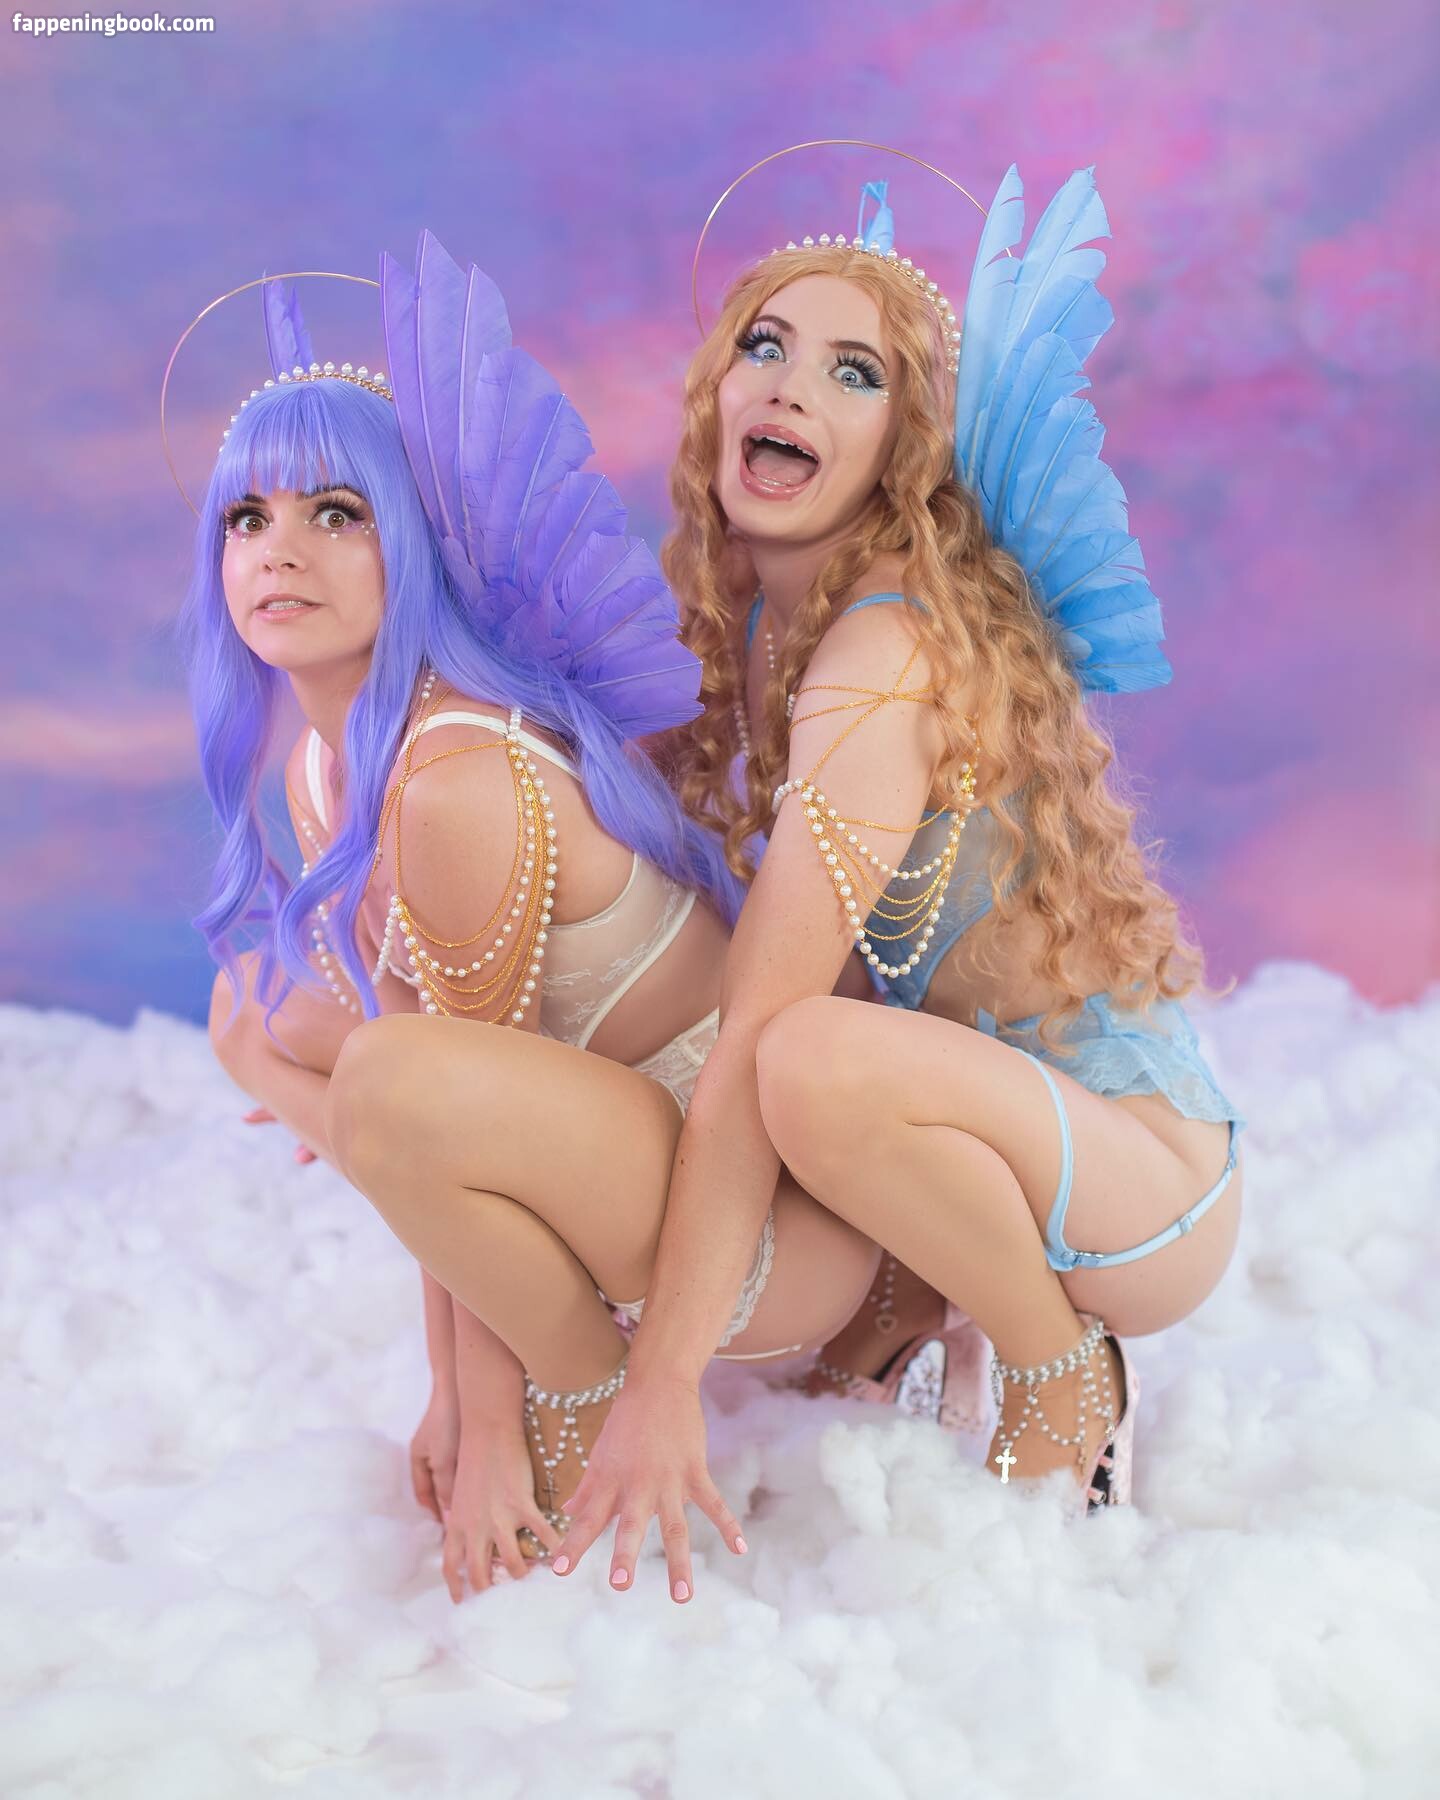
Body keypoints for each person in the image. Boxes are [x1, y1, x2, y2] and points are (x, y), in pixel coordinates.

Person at [546, 161, 1246, 1602]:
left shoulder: (880, 654)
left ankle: (1063, 1368)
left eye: (853, 371)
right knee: (806, 1029)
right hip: (992, 1141)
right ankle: (934, 1295)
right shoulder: (766, 629)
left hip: (1144, 1193)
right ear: (717, 395)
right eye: (767, 345)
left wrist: (662, 1382)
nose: (792, 385)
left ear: (903, 450)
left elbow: (768, 1027)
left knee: (797, 1049)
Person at [173, 235, 763, 1592]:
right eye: (247, 518)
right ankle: (532, 1352)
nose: (280, 550)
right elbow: (444, 1098)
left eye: (337, 512)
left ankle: (576, 1376)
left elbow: (446, 1106)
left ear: (415, 546)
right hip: (565, 1133)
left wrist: (483, 1421)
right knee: (254, 1008)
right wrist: (446, 1387)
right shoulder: (331, 766)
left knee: (377, 1073)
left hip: (714, 1184)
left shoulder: (456, 777)